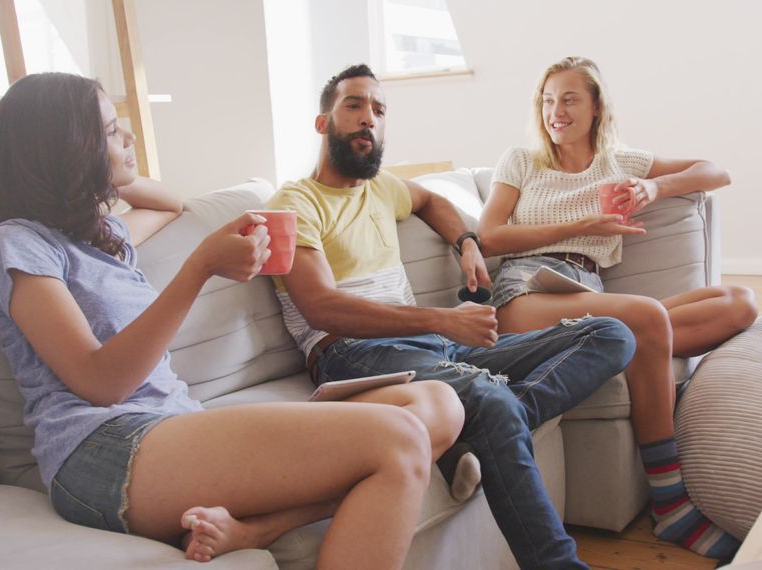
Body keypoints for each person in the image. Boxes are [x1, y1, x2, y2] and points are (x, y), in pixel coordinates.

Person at [0, 72, 469, 568]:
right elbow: (101, 383)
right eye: (108, 130)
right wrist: (200, 267)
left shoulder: (100, 237)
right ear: (66, 150)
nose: (128, 136)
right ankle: (260, 526)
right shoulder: (17, 244)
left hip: (171, 426)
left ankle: (256, 529)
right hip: (102, 449)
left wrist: (110, 170)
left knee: (439, 405)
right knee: (400, 438)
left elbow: (168, 203)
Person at [268, 63, 637, 570]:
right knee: (490, 398)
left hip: (430, 347)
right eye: (353, 105)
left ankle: (483, 430)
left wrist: (465, 242)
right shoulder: (293, 205)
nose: (369, 118)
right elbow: (321, 308)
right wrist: (441, 320)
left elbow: (431, 200)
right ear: (322, 122)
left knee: (610, 333)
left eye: (378, 109)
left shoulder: (381, 188)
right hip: (352, 354)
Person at [476, 56, 755, 558]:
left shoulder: (619, 162)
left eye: (569, 99)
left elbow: (716, 171)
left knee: (739, 302)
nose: (556, 112)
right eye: (547, 101)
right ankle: (671, 504)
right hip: (526, 292)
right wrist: (582, 225)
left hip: (587, 292)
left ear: (596, 106)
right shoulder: (521, 160)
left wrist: (654, 186)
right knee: (647, 317)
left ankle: (639, 344)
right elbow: (490, 236)